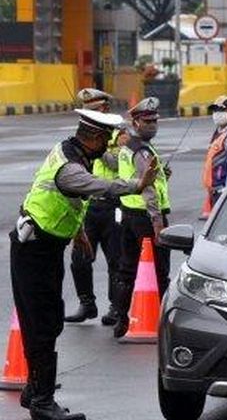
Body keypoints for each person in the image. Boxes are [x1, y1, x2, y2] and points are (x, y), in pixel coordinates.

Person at [10, 109, 157, 420]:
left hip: (44, 246)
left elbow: (68, 200)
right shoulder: (70, 169)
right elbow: (97, 187)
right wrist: (137, 184)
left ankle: (35, 389)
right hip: (34, 249)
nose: (109, 144)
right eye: (106, 138)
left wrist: (79, 234)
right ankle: (42, 402)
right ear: (92, 137)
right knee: (43, 323)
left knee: (43, 320)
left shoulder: (71, 152)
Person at [64, 88, 125, 326]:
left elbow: (116, 162)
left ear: (105, 108)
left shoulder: (119, 132)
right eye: (88, 109)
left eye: (96, 108)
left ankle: (115, 307)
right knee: (80, 257)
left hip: (112, 204)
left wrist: (99, 146)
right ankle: (86, 303)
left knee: (115, 260)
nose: (92, 112)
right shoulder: (84, 136)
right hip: (88, 206)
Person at [112, 97, 172, 339]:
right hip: (147, 218)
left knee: (126, 269)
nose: (152, 125)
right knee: (160, 270)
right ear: (135, 123)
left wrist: (163, 176)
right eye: (147, 121)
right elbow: (147, 189)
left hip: (128, 214)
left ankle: (121, 319)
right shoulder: (141, 150)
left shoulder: (129, 148)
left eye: (155, 121)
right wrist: (157, 222)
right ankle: (162, 321)